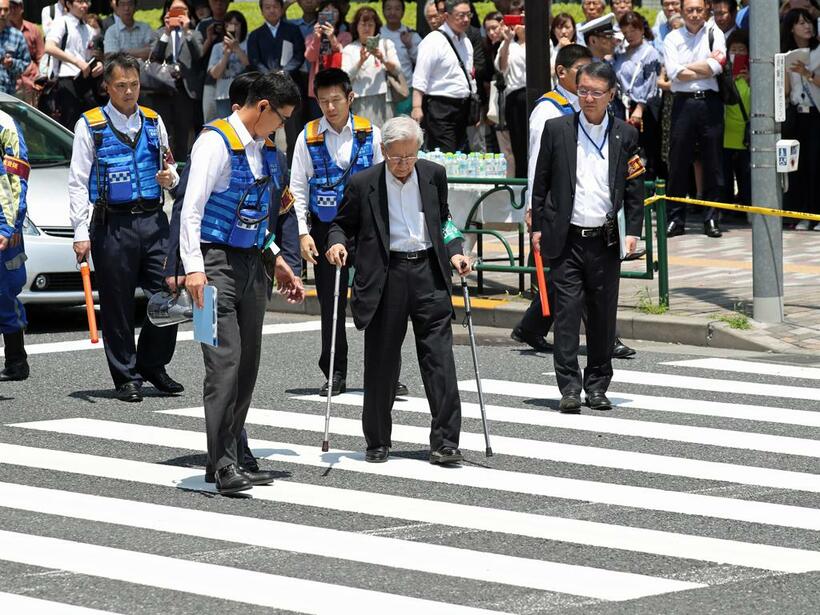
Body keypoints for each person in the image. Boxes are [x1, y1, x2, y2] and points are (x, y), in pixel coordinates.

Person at [164, 71, 301, 475]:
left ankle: (234, 447)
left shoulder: (264, 148)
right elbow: (190, 210)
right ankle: (221, 462)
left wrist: (276, 257)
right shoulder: (214, 142)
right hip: (210, 266)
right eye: (281, 117)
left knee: (248, 364)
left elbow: (258, 215)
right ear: (262, 108)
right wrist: (192, 271)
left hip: (251, 265)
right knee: (223, 363)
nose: (282, 126)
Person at [325, 116, 471, 465]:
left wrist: (456, 253)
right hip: (385, 275)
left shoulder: (434, 174)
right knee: (382, 362)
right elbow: (341, 225)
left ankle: (446, 442)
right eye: (396, 158)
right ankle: (377, 441)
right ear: (383, 151)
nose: (403, 165)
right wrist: (336, 245)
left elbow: (445, 221)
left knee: (440, 361)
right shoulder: (364, 183)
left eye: (410, 157)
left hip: (428, 273)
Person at [530, 62, 644, 413]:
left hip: (606, 239)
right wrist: (536, 225)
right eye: (583, 91)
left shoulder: (626, 134)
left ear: (611, 95)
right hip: (567, 238)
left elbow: (636, 187)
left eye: (596, 92)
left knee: (602, 315)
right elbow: (541, 181)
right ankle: (568, 387)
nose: (588, 98)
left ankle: (597, 385)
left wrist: (634, 233)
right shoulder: (557, 129)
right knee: (566, 314)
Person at [68, 53, 182, 402]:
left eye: (134, 85)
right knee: (116, 304)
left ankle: (152, 363)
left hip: (153, 220)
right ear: (107, 87)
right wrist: (80, 232)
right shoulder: (90, 125)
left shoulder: (153, 120)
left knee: (171, 293)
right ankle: (125, 376)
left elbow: (171, 168)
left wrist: (170, 178)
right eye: (121, 86)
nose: (129, 91)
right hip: (111, 224)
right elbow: (77, 182)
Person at [513, 45, 636, 360]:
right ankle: (598, 339)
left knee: (569, 279)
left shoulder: (592, 111)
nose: (588, 84)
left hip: (592, 216)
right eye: (581, 73)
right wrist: (533, 208)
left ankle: (533, 325)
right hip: (559, 213)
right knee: (569, 278)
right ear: (562, 73)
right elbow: (536, 166)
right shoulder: (549, 111)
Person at [291, 68, 391, 396]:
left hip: (366, 228)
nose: (330, 107)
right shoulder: (307, 136)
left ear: (350, 98)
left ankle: (385, 370)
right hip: (323, 228)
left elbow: (384, 183)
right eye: (323, 101)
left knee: (377, 299)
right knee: (330, 302)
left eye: (336, 100)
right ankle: (334, 372)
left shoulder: (371, 133)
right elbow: (297, 188)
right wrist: (303, 232)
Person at [664, 0, 726, 238]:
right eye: (689, 9)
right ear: (682, 11)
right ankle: (675, 218)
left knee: (713, 162)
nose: (694, 14)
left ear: (706, 10)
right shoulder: (673, 38)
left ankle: (711, 218)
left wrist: (685, 68)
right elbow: (672, 73)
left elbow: (717, 66)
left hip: (710, 102)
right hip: (683, 103)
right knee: (678, 160)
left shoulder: (714, 32)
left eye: (699, 9)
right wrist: (703, 67)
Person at [412, 0, 476, 153]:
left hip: (463, 107)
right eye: (461, 16)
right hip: (440, 107)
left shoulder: (466, 41)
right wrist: (416, 107)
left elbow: (469, 74)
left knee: (460, 155)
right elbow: (421, 76)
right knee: (445, 153)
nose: (466, 19)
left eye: (468, 15)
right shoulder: (433, 41)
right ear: (447, 16)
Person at [147, 0, 204, 160]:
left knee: (183, 135)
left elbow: (198, 56)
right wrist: (166, 32)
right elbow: (155, 57)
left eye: (182, 10)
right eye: (174, 10)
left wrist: (187, 31)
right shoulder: (159, 33)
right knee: (161, 133)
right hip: (162, 89)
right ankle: (161, 167)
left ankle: (180, 171)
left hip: (184, 90)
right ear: (167, 11)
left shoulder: (194, 34)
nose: (178, 14)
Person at [247, 0, 305, 153]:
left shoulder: (293, 30)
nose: (272, 10)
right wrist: (270, 76)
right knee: (266, 133)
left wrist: (284, 72)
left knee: (293, 131)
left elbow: (299, 55)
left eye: (275, 7)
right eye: (267, 7)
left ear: (281, 9)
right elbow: (254, 60)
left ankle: (292, 167)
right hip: (267, 88)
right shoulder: (255, 35)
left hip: (290, 84)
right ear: (261, 10)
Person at [781, 9, 820, 230]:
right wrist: (783, 70)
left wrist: (807, 73)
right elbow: (786, 91)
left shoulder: (818, 51)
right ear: (791, 28)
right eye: (801, 23)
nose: (807, 27)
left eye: (809, 22)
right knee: (799, 166)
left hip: (816, 115)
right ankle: (803, 214)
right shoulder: (787, 54)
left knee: (816, 165)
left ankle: (816, 214)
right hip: (797, 114)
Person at [614, 11, 662, 178]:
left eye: (633, 30)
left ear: (642, 29)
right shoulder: (620, 53)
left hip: (643, 108)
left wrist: (640, 108)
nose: (629, 36)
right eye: (625, 32)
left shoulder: (650, 53)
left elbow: (651, 83)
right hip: (623, 106)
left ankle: (646, 188)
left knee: (645, 150)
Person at [0, 108, 29, 381]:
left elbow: (17, 177)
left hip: (4, 227)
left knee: (5, 293)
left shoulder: (5, 124)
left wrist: (13, 224)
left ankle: (16, 360)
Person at [43, 0, 103, 130]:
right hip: (67, 81)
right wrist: (76, 61)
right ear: (69, 4)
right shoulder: (61, 22)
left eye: (86, 2)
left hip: (86, 81)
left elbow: (91, 55)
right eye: (80, 2)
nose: (85, 6)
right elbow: (49, 47)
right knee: (70, 124)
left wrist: (98, 64)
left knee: (91, 124)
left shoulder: (88, 29)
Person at [342, 6, 400, 128]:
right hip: (359, 101)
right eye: (363, 24)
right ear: (356, 26)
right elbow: (345, 78)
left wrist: (382, 58)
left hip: (384, 99)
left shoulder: (386, 44)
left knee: (384, 137)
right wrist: (360, 62)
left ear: (376, 26)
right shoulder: (349, 49)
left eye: (370, 25)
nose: (367, 28)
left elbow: (397, 70)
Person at [304, 0, 351, 113]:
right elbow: (310, 57)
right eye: (326, 11)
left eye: (333, 11)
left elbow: (342, 55)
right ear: (320, 15)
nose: (330, 14)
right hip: (317, 88)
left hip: (338, 86)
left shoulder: (345, 36)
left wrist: (332, 38)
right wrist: (316, 38)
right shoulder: (311, 37)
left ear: (339, 15)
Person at [722, 29, 751, 210]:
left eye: (742, 49)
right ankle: (727, 208)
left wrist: (751, 79)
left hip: (746, 134)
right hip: (726, 133)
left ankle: (746, 205)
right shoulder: (723, 75)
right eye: (734, 49)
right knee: (725, 174)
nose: (738, 53)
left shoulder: (757, 74)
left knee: (746, 174)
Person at [495, 15, 526, 177]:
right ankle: (521, 178)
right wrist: (507, 40)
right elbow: (501, 67)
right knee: (518, 145)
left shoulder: (542, 41)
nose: (521, 25)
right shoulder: (508, 45)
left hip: (535, 95)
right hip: (514, 97)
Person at [380, 0, 420, 116]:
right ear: (383, 11)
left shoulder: (411, 34)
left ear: (403, 12)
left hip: (406, 89)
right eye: (388, 8)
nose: (393, 12)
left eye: (397, 9)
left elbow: (422, 60)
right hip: (384, 89)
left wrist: (409, 45)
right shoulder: (377, 33)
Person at [207, 9, 249, 118]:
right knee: (226, 126)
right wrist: (226, 55)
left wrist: (237, 49)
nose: (233, 28)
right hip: (223, 94)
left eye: (236, 24)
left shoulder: (248, 43)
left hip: (245, 93)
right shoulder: (217, 47)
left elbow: (250, 65)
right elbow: (214, 74)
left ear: (242, 26)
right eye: (229, 25)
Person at [8, 0, 43, 106]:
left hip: (33, 83)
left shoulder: (33, 29)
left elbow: (41, 56)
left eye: (15, 6)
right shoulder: (4, 32)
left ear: (22, 8)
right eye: (10, 7)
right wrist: (24, 80)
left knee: (33, 119)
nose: (12, 10)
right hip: (13, 85)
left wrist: (40, 80)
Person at [0, 0, 30, 96]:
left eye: (6, 10)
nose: (3, 14)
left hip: (6, 95)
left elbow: (25, 63)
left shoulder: (17, 36)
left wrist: (12, 63)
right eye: (0, 9)